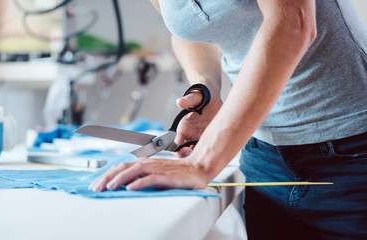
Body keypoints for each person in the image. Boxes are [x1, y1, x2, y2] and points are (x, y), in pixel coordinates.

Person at [90, 0, 367, 239]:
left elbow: (293, 23)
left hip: (354, 154)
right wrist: (206, 88)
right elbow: (186, 27)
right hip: (264, 158)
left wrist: (202, 163)